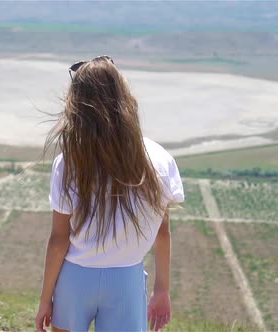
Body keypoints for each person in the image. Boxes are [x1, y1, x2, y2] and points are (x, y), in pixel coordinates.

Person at [35, 55, 185, 332]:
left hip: (74, 277)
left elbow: (59, 240)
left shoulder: (70, 161)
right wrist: (162, 290)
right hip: (126, 279)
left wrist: (45, 300)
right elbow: (162, 232)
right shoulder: (159, 160)